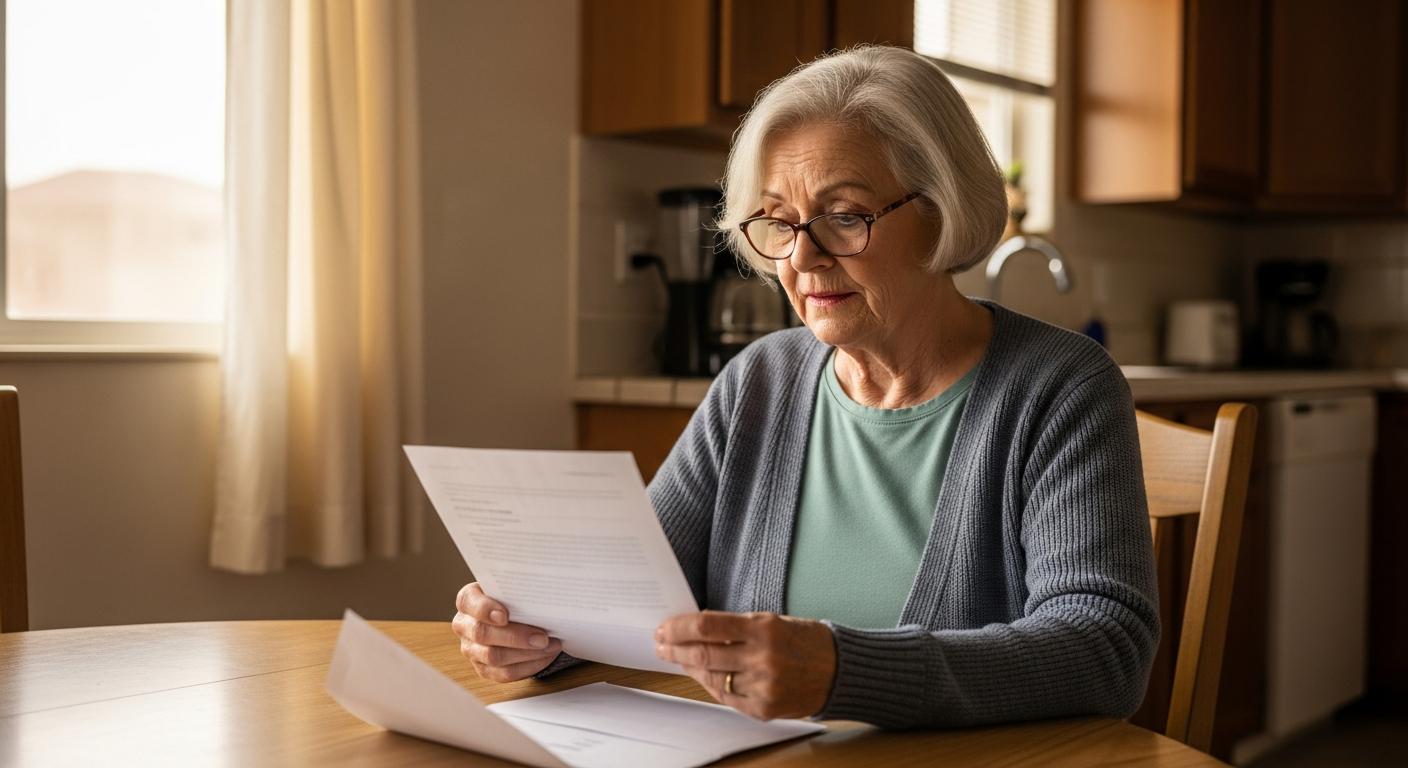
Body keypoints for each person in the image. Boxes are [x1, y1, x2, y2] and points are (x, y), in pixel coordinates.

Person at [453, 46, 1159, 730]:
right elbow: (626, 600)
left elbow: (1105, 650)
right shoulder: (757, 382)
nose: (802, 257)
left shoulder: (1063, 387)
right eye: (777, 221)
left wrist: (843, 670)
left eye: (845, 216)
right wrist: (534, 632)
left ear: (942, 210)